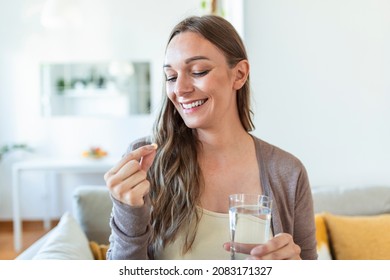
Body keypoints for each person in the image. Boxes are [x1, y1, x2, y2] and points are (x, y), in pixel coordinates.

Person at [104, 15, 318, 260]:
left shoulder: (288, 172)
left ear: (239, 74)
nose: (180, 89)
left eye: (198, 71)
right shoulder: (147, 163)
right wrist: (128, 212)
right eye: (171, 77)